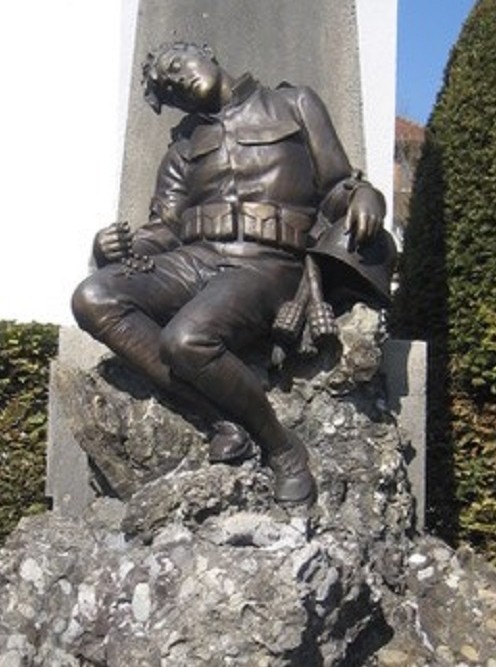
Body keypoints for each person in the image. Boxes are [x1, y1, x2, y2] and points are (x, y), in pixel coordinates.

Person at [71, 42, 386, 504]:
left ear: (207, 53)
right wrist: (113, 249)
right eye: (168, 86)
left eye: (177, 65)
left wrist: (365, 196)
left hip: (267, 263)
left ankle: (281, 446)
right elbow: (163, 230)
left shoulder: (294, 103)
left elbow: (337, 186)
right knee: (93, 297)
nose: (176, 80)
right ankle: (220, 417)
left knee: (186, 340)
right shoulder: (181, 147)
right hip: (194, 258)